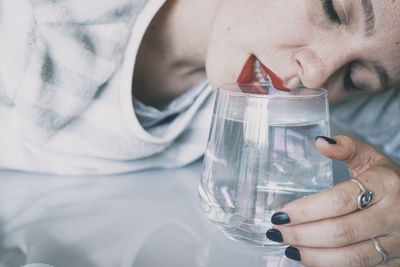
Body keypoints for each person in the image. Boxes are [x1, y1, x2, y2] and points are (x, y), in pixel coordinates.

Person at [0, 0, 399, 265]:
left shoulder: (322, 93)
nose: (315, 74)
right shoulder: (25, 22)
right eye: (332, 9)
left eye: (356, 76)